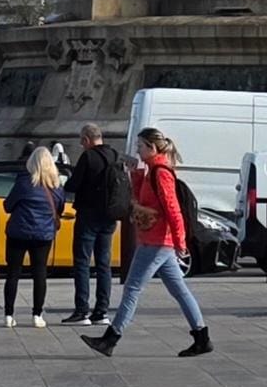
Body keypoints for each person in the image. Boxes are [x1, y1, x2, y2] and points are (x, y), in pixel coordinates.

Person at [86, 129, 210, 358]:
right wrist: (135, 174)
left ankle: (110, 338)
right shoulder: (152, 171)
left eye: (140, 146)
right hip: (157, 240)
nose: (137, 150)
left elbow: (172, 209)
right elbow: (144, 199)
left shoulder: (161, 172)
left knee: (132, 288)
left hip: (157, 241)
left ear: (152, 147)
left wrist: (180, 241)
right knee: (180, 291)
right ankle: (202, 337)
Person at [61, 124, 131, 328]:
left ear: (87, 139)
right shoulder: (115, 155)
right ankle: (102, 311)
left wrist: (65, 183)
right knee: (103, 264)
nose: (82, 145)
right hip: (110, 216)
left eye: (82, 141)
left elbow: (73, 185)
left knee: (82, 262)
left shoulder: (88, 157)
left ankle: (82, 310)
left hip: (89, 215)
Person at [2, 144, 63, 329]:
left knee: (13, 273)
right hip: (43, 235)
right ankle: (37, 315)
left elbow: (7, 206)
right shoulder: (56, 186)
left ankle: (9, 315)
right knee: (40, 274)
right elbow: (59, 209)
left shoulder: (22, 183)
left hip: (18, 233)